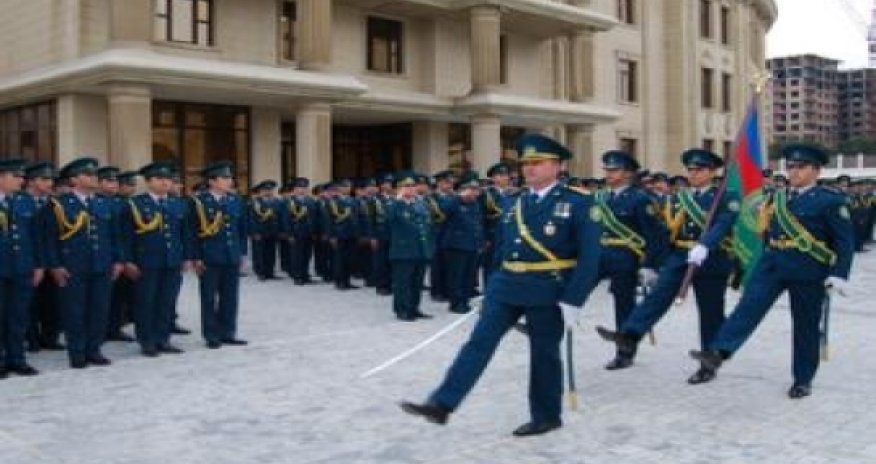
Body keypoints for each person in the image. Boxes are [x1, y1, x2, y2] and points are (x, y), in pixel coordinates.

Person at [401, 133, 602, 437]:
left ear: (558, 165)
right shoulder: (514, 201)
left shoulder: (578, 202)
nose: (529, 169)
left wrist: (574, 299)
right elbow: (502, 250)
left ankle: (546, 415)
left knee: (543, 354)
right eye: (525, 164)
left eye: (537, 163)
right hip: (506, 286)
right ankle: (442, 404)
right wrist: (490, 288)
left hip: (548, 288)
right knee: (478, 342)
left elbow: (591, 257)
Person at [690, 144, 855, 399]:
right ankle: (719, 352)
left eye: (801, 167)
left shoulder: (830, 201)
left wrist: (839, 273)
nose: (794, 172)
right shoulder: (775, 196)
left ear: (816, 170)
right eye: (791, 167)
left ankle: (802, 378)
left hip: (808, 269)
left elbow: (845, 241)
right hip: (773, 264)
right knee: (748, 307)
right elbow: (764, 232)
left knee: (805, 326)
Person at [595, 149, 739, 384]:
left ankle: (708, 362)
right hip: (680, 255)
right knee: (658, 296)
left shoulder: (726, 196)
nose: (693, 174)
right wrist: (652, 263)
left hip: (711, 258)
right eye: (690, 169)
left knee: (710, 312)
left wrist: (705, 245)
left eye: (699, 169)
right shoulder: (679, 197)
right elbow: (665, 230)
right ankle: (630, 335)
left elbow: (724, 223)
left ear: (713, 172)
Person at [46, 157, 125, 368]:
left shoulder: (103, 203)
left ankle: (94, 349)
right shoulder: (59, 205)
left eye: (94, 174)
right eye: (88, 174)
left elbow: (114, 235)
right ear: (74, 179)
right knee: (75, 310)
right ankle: (77, 352)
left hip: (102, 264)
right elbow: (50, 238)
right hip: (73, 265)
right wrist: (55, 265)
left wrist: (118, 260)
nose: (94, 178)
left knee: (99, 309)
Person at [594, 150, 669, 369]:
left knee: (623, 303)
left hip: (625, 256)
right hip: (600, 254)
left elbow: (656, 234)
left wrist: (650, 266)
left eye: (614, 170)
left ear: (627, 174)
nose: (608, 173)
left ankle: (624, 352)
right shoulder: (602, 197)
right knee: (575, 290)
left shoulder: (640, 199)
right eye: (607, 169)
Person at [121, 162, 192, 357]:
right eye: (159, 179)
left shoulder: (178, 204)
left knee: (167, 302)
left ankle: (163, 338)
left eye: (168, 179)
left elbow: (185, 234)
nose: (165, 183)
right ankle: (147, 340)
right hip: (146, 261)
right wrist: (128, 260)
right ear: (148, 182)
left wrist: (187, 257)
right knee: (146, 302)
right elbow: (126, 236)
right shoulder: (135, 204)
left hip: (172, 260)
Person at [189, 161, 248, 349]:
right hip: (209, 257)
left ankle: (228, 332)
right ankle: (211, 335)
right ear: (212, 181)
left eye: (230, 178)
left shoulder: (234, 200)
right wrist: (196, 257)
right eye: (225, 178)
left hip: (231, 255)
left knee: (230, 297)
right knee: (208, 297)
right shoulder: (198, 202)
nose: (229, 181)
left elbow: (240, 229)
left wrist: (242, 254)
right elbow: (191, 232)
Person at [0, 158, 44, 377]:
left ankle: (17, 359)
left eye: (22, 176)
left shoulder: (24, 201)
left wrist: (38, 264)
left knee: (19, 316)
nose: (21, 180)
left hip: (22, 267)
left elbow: (35, 236)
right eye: (15, 176)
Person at [23, 162, 64, 352]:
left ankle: (50, 337)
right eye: (45, 179)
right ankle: (31, 339)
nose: (50, 183)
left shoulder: (55, 204)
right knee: (29, 303)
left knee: (53, 302)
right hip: (30, 261)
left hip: (53, 261)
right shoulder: (20, 202)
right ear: (31, 182)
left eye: (51, 179)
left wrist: (56, 262)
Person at [386, 172, 435, 321]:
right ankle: (402, 309)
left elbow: (427, 225)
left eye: (413, 186)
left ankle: (414, 308)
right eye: (406, 186)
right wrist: (399, 201)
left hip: (420, 249)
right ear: (398, 189)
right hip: (403, 250)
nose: (411, 189)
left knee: (417, 282)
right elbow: (389, 220)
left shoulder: (420, 204)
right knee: (403, 282)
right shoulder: (394, 205)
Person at [440, 172, 485, 314]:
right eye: (470, 189)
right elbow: (444, 210)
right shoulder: (454, 201)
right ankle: (455, 303)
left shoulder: (475, 204)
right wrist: (459, 197)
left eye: (476, 189)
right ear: (462, 189)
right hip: (456, 245)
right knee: (456, 276)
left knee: (468, 275)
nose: (474, 192)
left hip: (472, 245)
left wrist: (481, 241)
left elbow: (478, 224)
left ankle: (464, 300)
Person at [248, 180, 281, 280]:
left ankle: (270, 272)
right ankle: (260, 272)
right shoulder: (254, 203)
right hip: (259, 232)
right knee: (259, 253)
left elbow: (280, 217)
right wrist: (254, 232)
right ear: (260, 191)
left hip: (272, 231)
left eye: (270, 190)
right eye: (265, 190)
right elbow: (251, 219)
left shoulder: (276, 202)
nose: (268, 192)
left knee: (271, 253)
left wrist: (279, 231)